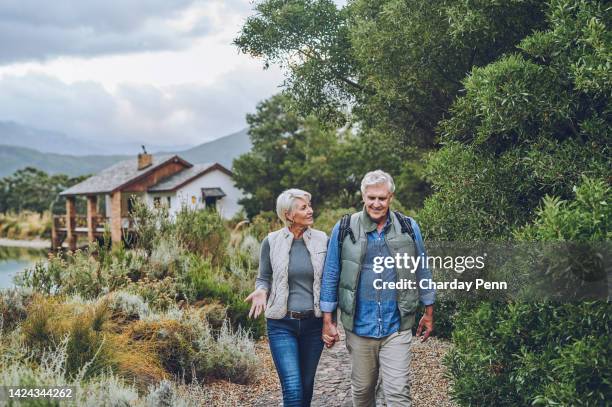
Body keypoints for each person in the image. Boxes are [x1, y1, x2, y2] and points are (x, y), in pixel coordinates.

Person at [319, 170, 436, 407]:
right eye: (371, 197)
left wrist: (429, 311)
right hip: (360, 326)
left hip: (397, 324)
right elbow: (331, 274)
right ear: (363, 196)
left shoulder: (408, 227)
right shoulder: (344, 228)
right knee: (363, 392)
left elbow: (421, 269)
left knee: (398, 392)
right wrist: (328, 320)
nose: (376, 203)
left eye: (382, 198)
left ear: (391, 197)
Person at [245, 189, 328, 407]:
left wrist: (331, 319)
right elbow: (263, 277)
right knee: (292, 388)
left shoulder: (322, 240)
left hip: (313, 324)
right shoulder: (271, 241)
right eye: (304, 207)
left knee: (306, 385)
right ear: (288, 214)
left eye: (309, 206)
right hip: (281, 324)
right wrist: (262, 290)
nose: (311, 211)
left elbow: (330, 281)